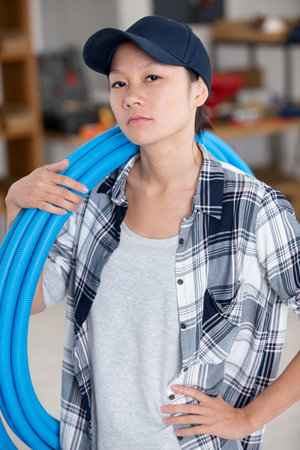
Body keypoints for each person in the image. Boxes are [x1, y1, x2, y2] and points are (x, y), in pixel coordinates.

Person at [5, 15, 300, 450]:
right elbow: (25, 300)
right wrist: (14, 207)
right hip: (97, 439)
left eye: (153, 77)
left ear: (198, 91)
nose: (131, 97)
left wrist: (247, 419)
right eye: (119, 83)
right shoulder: (92, 200)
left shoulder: (254, 210)